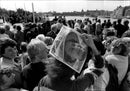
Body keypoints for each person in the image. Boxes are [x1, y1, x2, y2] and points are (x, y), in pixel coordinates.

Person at [35, 34, 105, 91]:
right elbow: (99, 68)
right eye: (72, 48)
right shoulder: (75, 87)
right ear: (72, 63)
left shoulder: (44, 80)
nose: (78, 47)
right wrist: (92, 46)